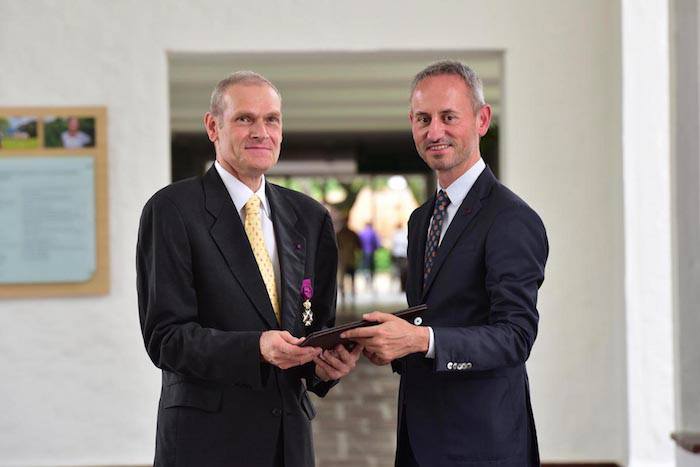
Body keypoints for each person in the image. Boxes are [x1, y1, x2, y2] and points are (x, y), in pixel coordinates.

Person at [136, 71, 362, 467]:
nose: (262, 131)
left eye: (271, 119)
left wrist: (328, 368)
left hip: (289, 443)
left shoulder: (309, 218)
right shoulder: (172, 210)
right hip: (206, 444)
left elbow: (315, 330)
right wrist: (257, 348)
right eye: (245, 119)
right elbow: (165, 338)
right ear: (213, 126)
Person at [342, 60, 548, 466]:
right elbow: (430, 318)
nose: (434, 131)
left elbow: (515, 337)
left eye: (448, 117)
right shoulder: (422, 219)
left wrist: (419, 340)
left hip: (482, 443)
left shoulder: (511, 219)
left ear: (481, 119)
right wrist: (390, 345)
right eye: (423, 118)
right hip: (419, 438)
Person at [336, 215, 361, 309]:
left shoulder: (339, 234)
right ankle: (350, 294)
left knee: (344, 278)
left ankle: (344, 295)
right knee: (351, 278)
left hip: (343, 260)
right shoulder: (352, 234)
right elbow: (359, 246)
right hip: (350, 259)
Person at [390, 222, 408, 292]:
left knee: (400, 271)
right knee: (403, 271)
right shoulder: (403, 234)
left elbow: (393, 245)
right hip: (403, 255)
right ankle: (402, 286)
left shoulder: (396, 234)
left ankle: (402, 286)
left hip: (398, 254)